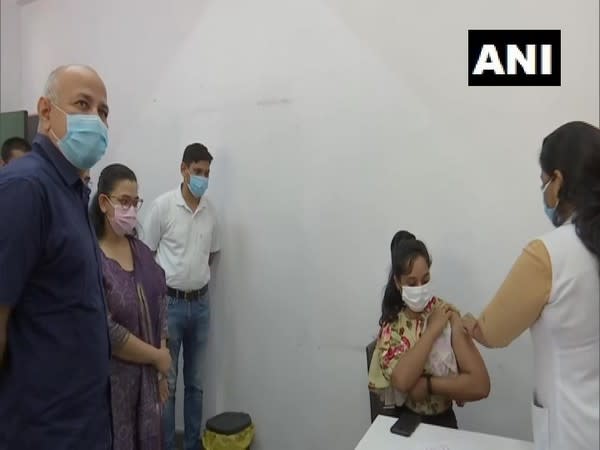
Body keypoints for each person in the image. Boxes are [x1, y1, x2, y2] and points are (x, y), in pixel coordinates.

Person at [462, 121, 600, 450]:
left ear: (559, 181)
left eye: (544, 182)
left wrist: (469, 325)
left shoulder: (549, 254)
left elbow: (493, 332)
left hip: (572, 430)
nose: (544, 193)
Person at [0, 65, 112, 449]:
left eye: (102, 111)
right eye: (83, 104)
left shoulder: (72, 191)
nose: (95, 120)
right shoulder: (26, 189)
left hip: (83, 421)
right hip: (41, 429)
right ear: (46, 112)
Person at [141, 143, 220, 450]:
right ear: (184, 169)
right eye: (197, 171)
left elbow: (211, 255)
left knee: (196, 384)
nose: (202, 178)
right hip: (169, 305)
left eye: (207, 173)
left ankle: (191, 444)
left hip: (200, 305)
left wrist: (194, 281)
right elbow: (146, 256)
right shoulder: (162, 207)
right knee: (168, 384)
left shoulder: (210, 212)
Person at [368, 231, 490, 429]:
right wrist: (433, 330)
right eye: (412, 283)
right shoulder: (393, 328)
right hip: (408, 421)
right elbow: (403, 381)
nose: (420, 288)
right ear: (398, 283)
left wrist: (428, 385)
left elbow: (480, 385)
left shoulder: (446, 313)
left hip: (444, 421)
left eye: (425, 280)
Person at [90, 163, 172, 450]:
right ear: (104, 202)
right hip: (112, 386)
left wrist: (161, 368)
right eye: (124, 202)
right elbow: (106, 330)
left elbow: (160, 300)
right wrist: (156, 357)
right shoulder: (92, 258)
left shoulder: (142, 252)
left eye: (135, 202)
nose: (132, 210)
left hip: (148, 383)